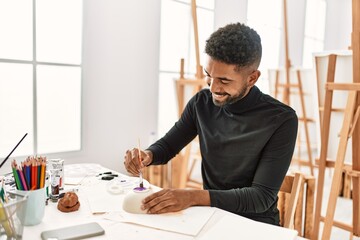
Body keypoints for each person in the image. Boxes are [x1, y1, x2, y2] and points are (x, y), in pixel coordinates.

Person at [124, 22, 298, 226]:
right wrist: (148, 155)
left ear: (252, 78)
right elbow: (168, 146)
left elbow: (260, 198)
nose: (213, 87)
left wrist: (192, 197)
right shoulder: (201, 103)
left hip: (255, 224)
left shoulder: (281, 119)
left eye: (224, 80)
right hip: (211, 217)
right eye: (208, 75)